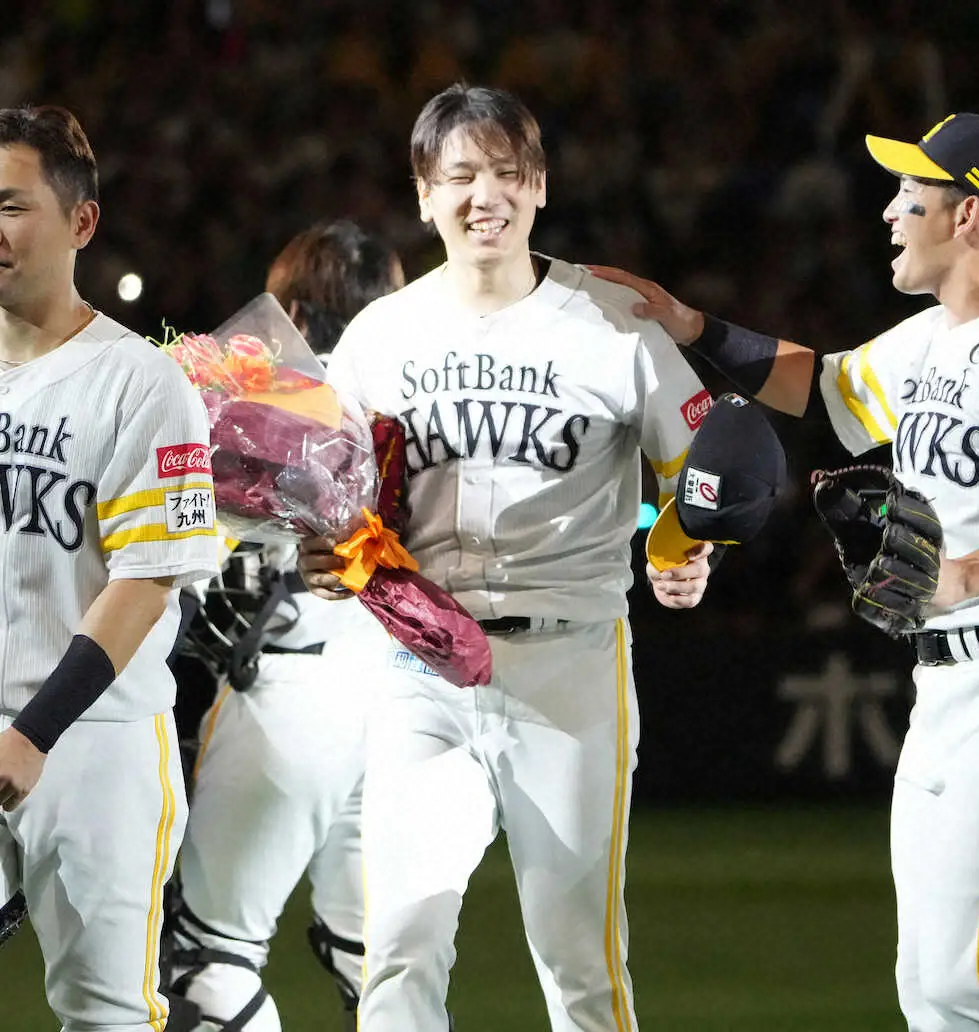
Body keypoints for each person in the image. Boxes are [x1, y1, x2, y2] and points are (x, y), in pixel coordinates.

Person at [591, 112, 979, 1031]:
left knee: (975, 978)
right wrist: (689, 324)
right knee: (927, 995)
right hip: (947, 684)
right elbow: (818, 385)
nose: (889, 212)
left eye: (910, 195)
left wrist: (966, 574)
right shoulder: (928, 337)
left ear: (966, 215)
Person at [297, 83, 714, 1032]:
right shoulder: (381, 335)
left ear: (538, 187)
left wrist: (682, 545)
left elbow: (698, 466)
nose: (483, 195)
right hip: (420, 663)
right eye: (460, 175)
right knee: (398, 940)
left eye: (504, 173)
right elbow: (326, 493)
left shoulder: (613, 319)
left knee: (578, 953)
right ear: (422, 195)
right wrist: (320, 546)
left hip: (566, 663)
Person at [0, 105, 220, 1029]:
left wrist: (33, 733)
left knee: (105, 1015)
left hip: (92, 744)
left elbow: (146, 580)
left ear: (81, 223)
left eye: (11, 206)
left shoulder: (143, 382)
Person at [163, 220, 404, 1031]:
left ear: (294, 312)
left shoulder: (267, 404)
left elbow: (185, 560)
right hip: (403, 705)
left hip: (291, 694)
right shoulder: (418, 404)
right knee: (377, 964)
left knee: (212, 959)